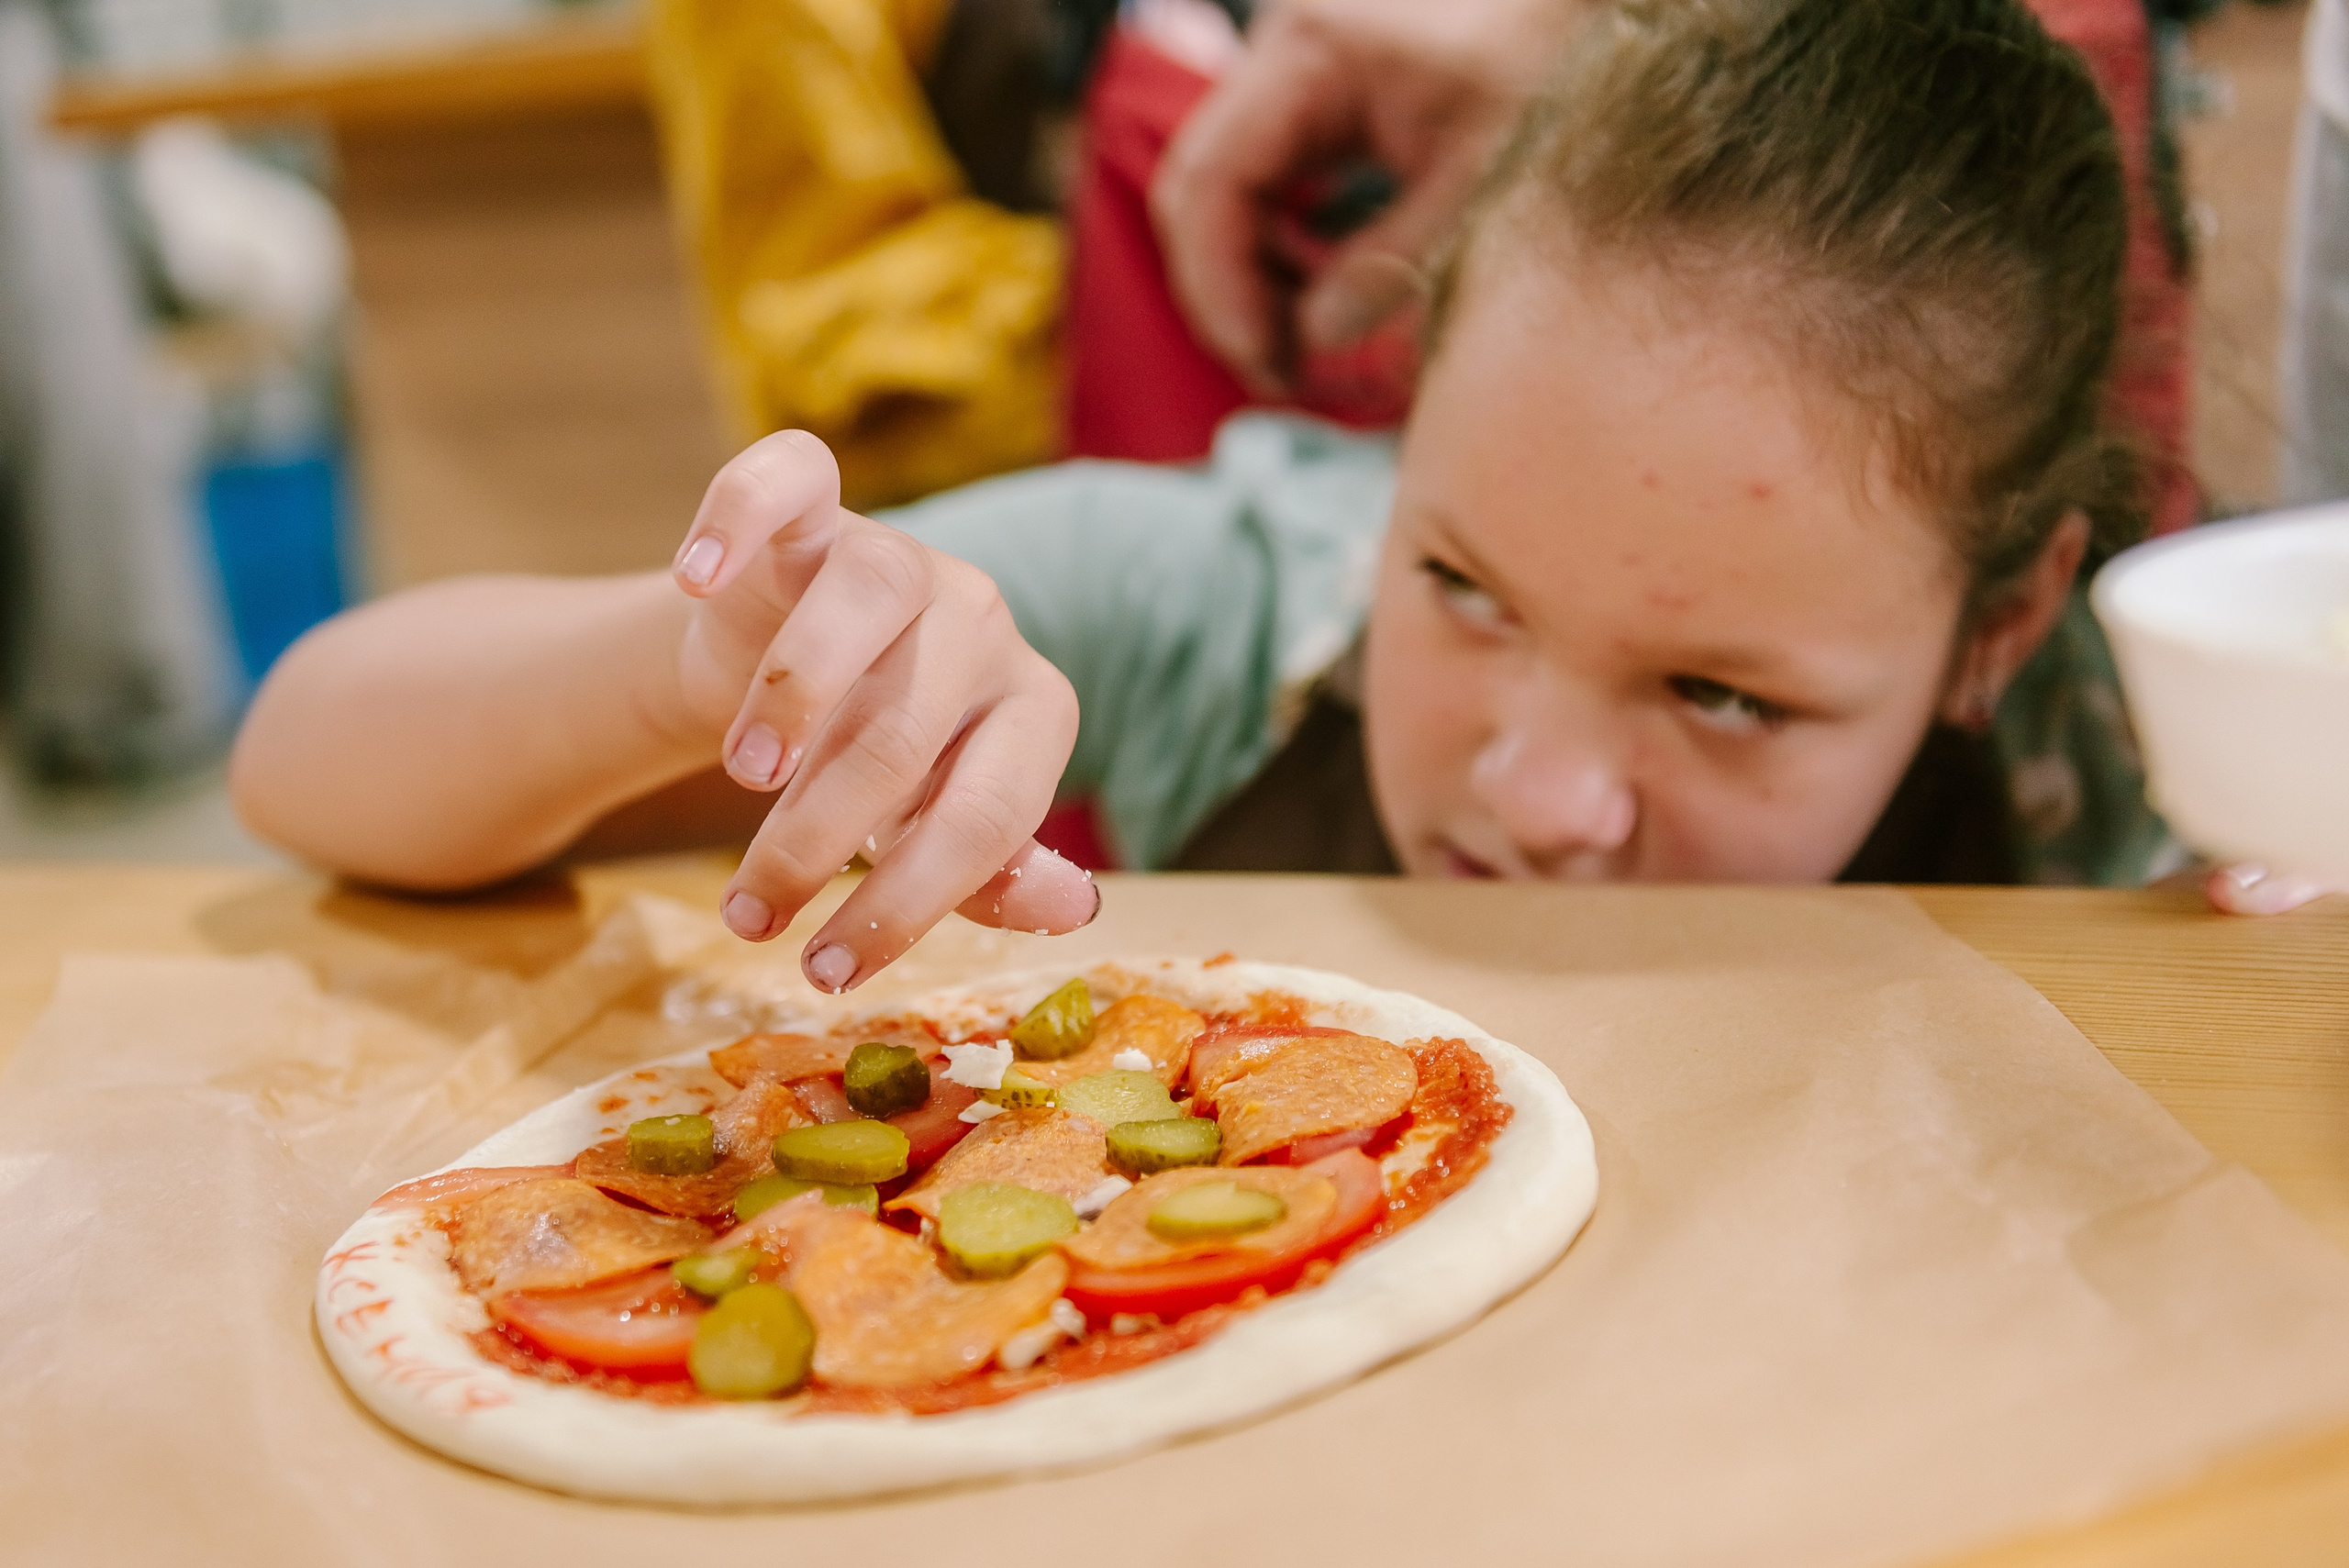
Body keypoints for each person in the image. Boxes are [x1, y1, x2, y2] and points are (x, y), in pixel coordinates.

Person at [228, 0, 2308, 1001]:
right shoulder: (1230, 593)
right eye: (1465, 585)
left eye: (1723, 701)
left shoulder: (2148, 761)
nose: (1534, 791)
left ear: (2007, 625)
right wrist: (691, 673)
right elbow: (307, 754)